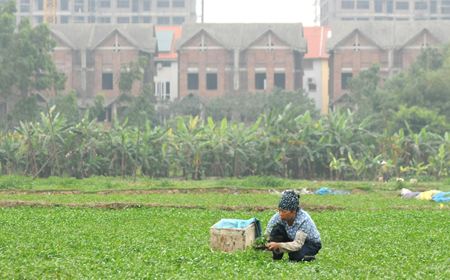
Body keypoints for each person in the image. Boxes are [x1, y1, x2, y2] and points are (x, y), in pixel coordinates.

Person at [265, 190, 322, 262]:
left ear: (294, 211)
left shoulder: (304, 219)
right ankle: (276, 256)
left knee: (295, 256)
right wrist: (264, 245)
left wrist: (279, 245)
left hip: (309, 243)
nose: (281, 214)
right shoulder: (278, 216)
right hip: (292, 239)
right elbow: (267, 233)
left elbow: (298, 244)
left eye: (284, 212)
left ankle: (308, 257)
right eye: (279, 210)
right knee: (277, 228)